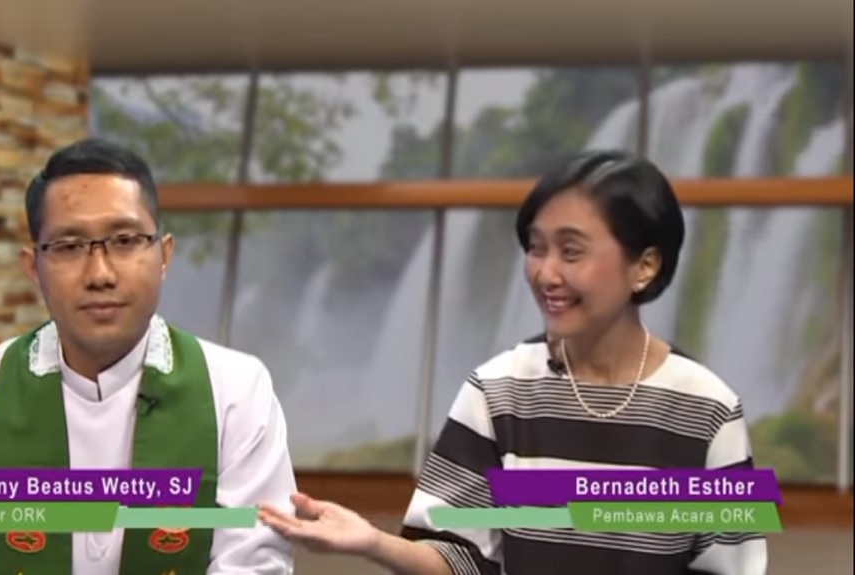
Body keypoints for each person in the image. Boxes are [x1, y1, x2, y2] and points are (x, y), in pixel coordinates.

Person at [258, 150, 768, 574]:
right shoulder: (498, 390)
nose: (545, 274)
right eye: (535, 248)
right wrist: (374, 543)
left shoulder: (709, 409)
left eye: (571, 252)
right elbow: (460, 555)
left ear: (645, 266)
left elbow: (733, 567)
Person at [0, 138, 297, 574]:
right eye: (69, 246)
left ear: (164, 255)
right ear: (33, 268)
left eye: (125, 240)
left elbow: (256, 565)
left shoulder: (237, 391)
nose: (100, 274)